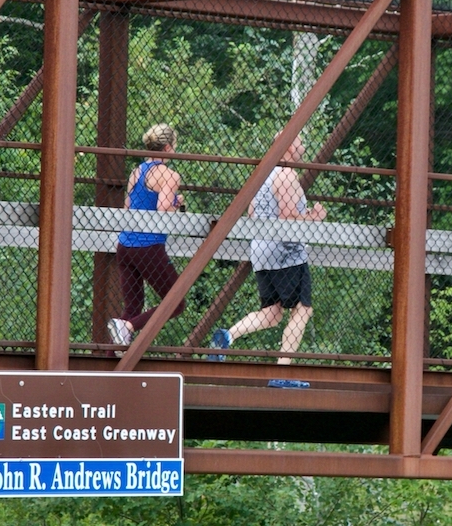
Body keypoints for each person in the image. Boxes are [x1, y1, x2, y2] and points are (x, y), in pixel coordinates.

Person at [208, 133, 326, 388]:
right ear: (288, 146)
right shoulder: (286, 174)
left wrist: (300, 214)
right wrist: (314, 216)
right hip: (286, 252)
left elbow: (253, 212)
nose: (303, 146)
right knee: (302, 309)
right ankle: (282, 372)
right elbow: (287, 217)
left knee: (272, 313)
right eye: (300, 141)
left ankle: (228, 336)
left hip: (261, 249)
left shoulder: (263, 174)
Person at [107, 124, 186, 354]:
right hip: (148, 247)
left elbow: (128, 206)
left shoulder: (136, 172)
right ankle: (129, 326)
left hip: (125, 246)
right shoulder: (169, 175)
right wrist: (177, 202)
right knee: (176, 303)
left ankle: (108, 359)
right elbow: (163, 208)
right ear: (168, 147)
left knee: (132, 307)